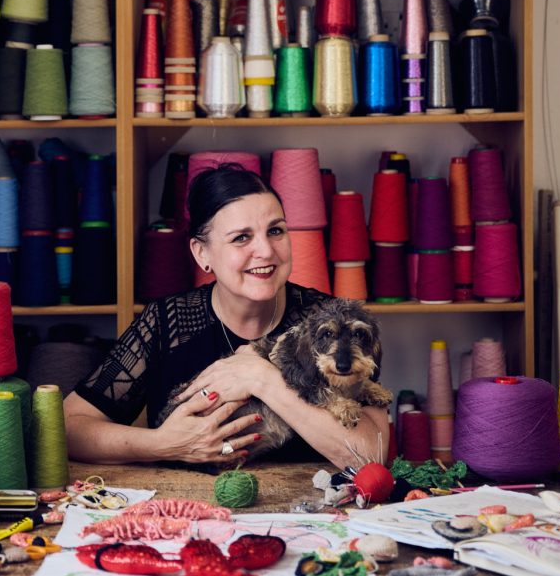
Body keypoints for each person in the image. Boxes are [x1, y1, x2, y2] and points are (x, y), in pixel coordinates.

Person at [64, 164, 389, 467]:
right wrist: (161, 444)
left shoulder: (332, 322)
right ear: (201, 253)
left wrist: (263, 379)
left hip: (313, 505)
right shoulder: (165, 322)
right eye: (241, 238)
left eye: (276, 231)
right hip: (187, 505)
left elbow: (371, 455)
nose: (266, 250)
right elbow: (69, 427)